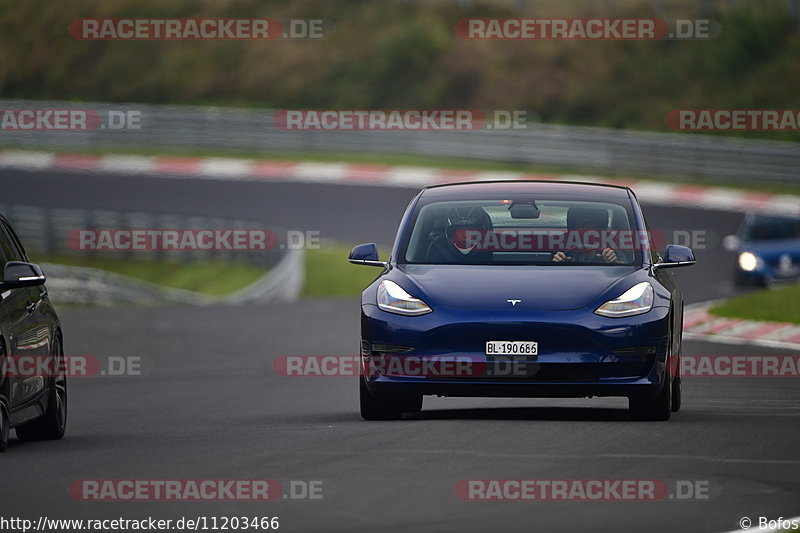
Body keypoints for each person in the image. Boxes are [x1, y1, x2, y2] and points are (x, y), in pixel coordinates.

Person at [552, 206, 620, 263]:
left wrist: (614, 261)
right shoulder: (560, 241)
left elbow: (626, 266)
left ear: (600, 223)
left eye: (590, 220)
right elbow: (545, 267)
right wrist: (555, 262)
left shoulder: (612, 241)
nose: (585, 225)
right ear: (573, 222)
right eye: (580, 219)